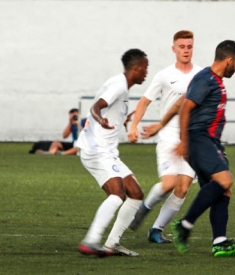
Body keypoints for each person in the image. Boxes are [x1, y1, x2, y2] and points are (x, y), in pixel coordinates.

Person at [171, 40, 235, 257]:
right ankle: (185, 224)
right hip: (199, 138)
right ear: (229, 60)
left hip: (210, 142)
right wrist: (183, 140)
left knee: (223, 191)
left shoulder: (214, 79)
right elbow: (186, 107)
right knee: (225, 180)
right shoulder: (206, 79)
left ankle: (220, 242)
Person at [126, 30, 202, 244]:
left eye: (189, 46)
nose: (186, 50)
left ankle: (156, 230)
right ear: (174, 49)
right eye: (182, 46)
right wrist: (134, 126)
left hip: (191, 138)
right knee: (169, 183)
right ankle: (143, 209)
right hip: (168, 134)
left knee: (183, 187)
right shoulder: (164, 75)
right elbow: (144, 101)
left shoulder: (202, 73)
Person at [76, 48, 149, 257]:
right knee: (117, 194)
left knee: (135, 194)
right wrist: (101, 120)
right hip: (96, 150)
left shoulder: (122, 87)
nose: (146, 72)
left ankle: (112, 244)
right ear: (136, 68)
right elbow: (96, 107)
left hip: (107, 152)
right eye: (145, 68)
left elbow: (111, 112)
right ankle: (90, 241)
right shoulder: (118, 85)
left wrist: (122, 122)